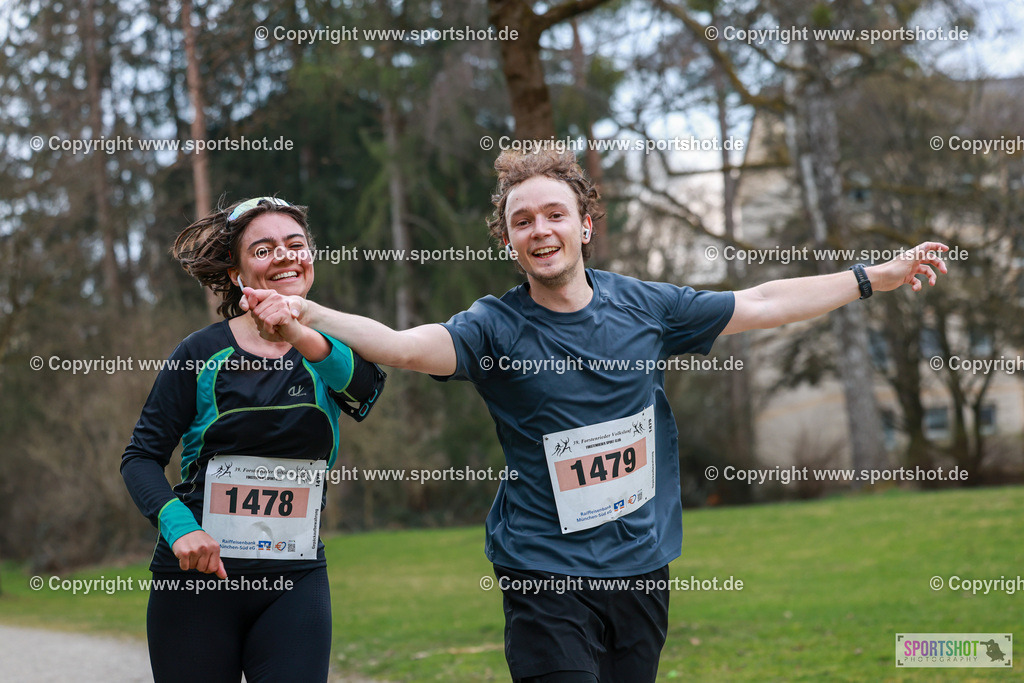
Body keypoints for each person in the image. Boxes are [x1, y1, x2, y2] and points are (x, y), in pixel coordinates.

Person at [241, 151, 948, 683]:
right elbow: (402, 347)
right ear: (507, 241)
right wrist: (308, 310)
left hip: (640, 568)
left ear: (584, 224)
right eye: (522, 221)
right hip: (543, 571)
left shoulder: (646, 306)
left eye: (554, 214)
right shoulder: (493, 326)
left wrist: (874, 278)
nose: (540, 229)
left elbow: (761, 301)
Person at [121, 196, 385, 682]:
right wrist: (181, 528)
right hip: (197, 581)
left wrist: (295, 328)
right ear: (237, 273)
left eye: (295, 244)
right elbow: (139, 457)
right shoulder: (199, 353)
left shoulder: (334, 348)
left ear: (311, 257)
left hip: (294, 580)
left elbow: (363, 390)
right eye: (263, 250)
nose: (284, 256)